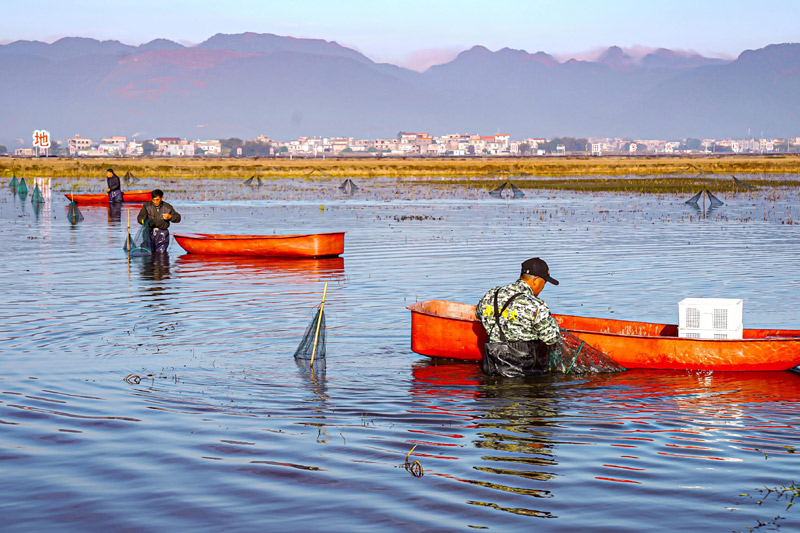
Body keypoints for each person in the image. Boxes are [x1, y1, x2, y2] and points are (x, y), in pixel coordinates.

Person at [476, 257, 561, 377]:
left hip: (491, 369)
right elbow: (551, 338)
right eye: (544, 282)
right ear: (536, 280)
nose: (543, 287)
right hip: (523, 373)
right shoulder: (536, 305)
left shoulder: (491, 294)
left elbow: (479, 315)